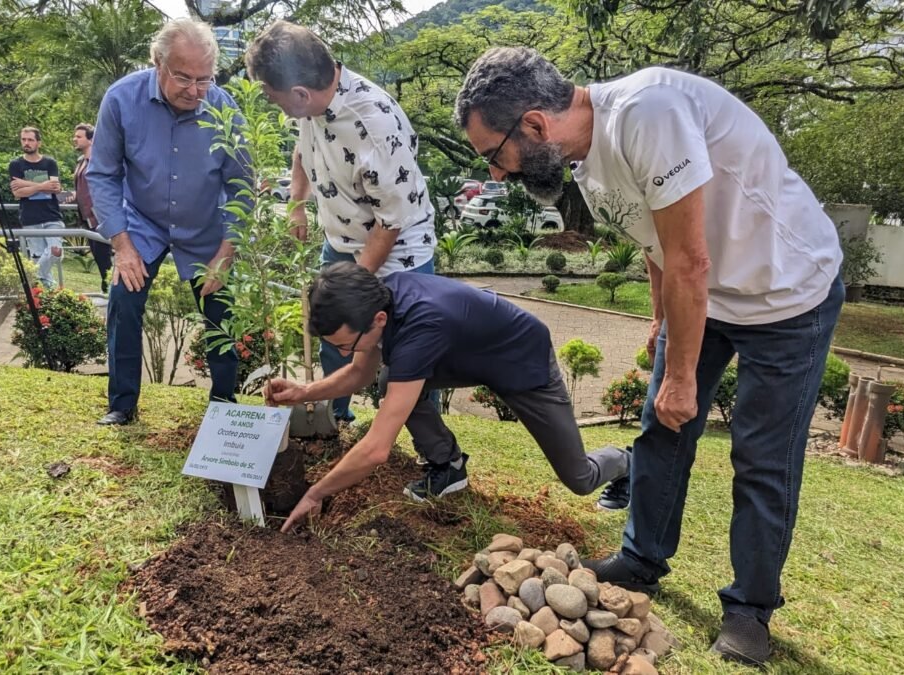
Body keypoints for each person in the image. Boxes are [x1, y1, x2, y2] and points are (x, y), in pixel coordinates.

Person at [454, 48, 844, 666]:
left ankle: (750, 609)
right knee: (660, 429)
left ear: (533, 125)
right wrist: (662, 322)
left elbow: (690, 258)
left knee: (762, 457)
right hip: (702, 295)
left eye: (493, 156)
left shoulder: (649, 112)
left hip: (786, 294)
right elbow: (656, 240)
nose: (497, 174)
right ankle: (641, 557)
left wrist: (683, 375)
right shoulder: (581, 156)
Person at [266, 262, 630, 526]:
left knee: (578, 477)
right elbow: (360, 372)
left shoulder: (420, 324)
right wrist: (304, 391)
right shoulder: (379, 300)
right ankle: (448, 466)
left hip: (520, 361)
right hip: (464, 355)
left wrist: (316, 493)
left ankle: (629, 461)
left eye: (346, 344)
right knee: (387, 379)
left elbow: (377, 448)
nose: (344, 354)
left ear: (378, 320)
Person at [245, 21, 437, 423]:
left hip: (399, 253)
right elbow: (303, 149)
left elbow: (390, 224)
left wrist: (349, 286)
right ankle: (335, 420)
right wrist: (297, 203)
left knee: (409, 351)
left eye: (273, 97)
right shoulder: (311, 103)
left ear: (300, 93)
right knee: (334, 332)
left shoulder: (374, 127)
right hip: (342, 241)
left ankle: (431, 450)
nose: (274, 104)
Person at [88, 18, 250, 426]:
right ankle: (122, 404)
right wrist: (122, 246)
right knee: (124, 300)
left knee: (220, 312)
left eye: (204, 79)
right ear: (157, 62)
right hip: (142, 223)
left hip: (206, 227)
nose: (195, 91)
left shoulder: (224, 107)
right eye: (183, 78)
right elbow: (103, 174)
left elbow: (243, 186)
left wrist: (226, 254)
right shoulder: (121, 99)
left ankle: (224, 406)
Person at [9, 127, 63, 289]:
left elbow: (55, 188)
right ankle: (48, 299)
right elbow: (18, 193)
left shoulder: (49, 163)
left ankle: (32, 276)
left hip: (52, 216)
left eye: (30, 140)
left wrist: (27, 184)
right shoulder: (16, 164)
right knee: (37, 257)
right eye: (24, 139)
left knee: (56, 251)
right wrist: (42, 185)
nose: (26, 143)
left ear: (38, 142)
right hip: (30, 218)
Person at [67, 123, 112, 294]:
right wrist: (74, 195)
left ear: (91, 140)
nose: (75, 139)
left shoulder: (99, 160)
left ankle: (109, 290)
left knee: (103, 256)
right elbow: (83, 187)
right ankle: (107, 289)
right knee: (98, 256)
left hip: (99, 216)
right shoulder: (81, 161)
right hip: (86, 217)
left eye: (79, 136)